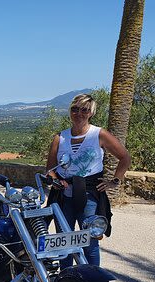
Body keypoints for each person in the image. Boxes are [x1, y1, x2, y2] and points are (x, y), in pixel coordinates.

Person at [46, 93, 132, 267]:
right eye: (75, 109)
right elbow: (50, 169)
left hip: (89, 195)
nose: (79, 113)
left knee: (90, 242)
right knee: (65, 242)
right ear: (70, 111)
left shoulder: (99, 134)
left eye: (84, 110)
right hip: (64, 196)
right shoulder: (60, 138)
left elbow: (124, 158)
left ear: (91, 113)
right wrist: (55, 180)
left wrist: (114, 181)